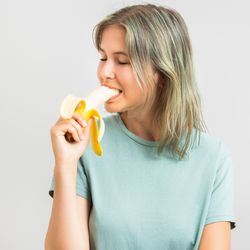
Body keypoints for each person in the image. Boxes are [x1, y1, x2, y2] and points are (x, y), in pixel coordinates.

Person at [45, 4, 236, 250]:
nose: (104, 72)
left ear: (163, 72)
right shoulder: (87, 144)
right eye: (103, 57)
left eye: (121, 61)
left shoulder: (213, 159)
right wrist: (66, 163)